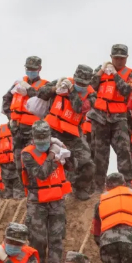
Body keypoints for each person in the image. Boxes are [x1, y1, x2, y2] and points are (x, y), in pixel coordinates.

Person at [21, 120, 73, 263]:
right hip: (37, 202)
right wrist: (51, 155)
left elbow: (72, 166)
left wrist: (64, 152)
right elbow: (42, 174)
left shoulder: (56, 148)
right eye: (40, 140)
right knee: (38, 240)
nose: (43, 143)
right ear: (34, 138)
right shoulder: (27, 153)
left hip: (56, 201)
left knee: (56, 239)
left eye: (45, 139)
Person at [43, 64, 97, 201]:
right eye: (77, 82)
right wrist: (55, 89)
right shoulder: (62, 81)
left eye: (83, 83)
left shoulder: (91, 95)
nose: (80, 85)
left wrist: (72, 90)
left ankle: (80, 188)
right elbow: (41, 93)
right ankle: (49, 192)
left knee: (87, 163)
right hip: (54, 132)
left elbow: (79, 108)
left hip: (74, 135)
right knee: (49, 161)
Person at [89, 44, 132, 191]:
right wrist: (101, 71)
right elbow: (90, 86)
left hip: (119, 117)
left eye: (122, 58)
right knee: (100, 154)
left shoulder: (130, 73)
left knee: (123, 150)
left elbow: (126, 91)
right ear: (111, 57)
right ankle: (98, 187)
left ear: (126, 58)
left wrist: (115, 74)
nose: (119, 61)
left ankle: (127, 183)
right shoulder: (100, 70)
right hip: (100, 116)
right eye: (116, 58)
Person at [2, 56, 52, 174]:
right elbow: (6, 99)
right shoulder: (18, 82)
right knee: (18, 163)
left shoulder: (45, 85)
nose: (30, 71)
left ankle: (34, 190)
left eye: (33, 69)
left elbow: (45, 101)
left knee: (34, 161)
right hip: (17, 129)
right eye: (28, 68)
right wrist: (10, 117)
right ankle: (22, 191)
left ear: (39, 68)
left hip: (34, 130)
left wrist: (29, 90)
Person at [0, 121, 23, 200]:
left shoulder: (24, 128)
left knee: (19, 198)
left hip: (20, 170)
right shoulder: (0, 130)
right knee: (7, 199)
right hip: (5, 173)